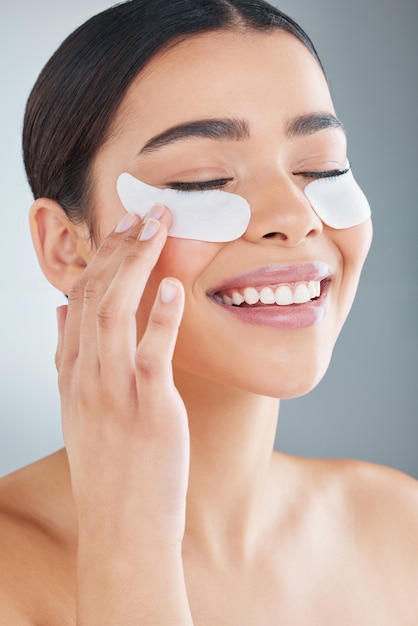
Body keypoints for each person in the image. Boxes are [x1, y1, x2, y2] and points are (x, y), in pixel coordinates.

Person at [0, 0, 417, 623]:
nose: (295, 217)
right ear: (66, 246)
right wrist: (128, 542)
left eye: (320, 167)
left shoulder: (400, 526)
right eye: (201, 181)